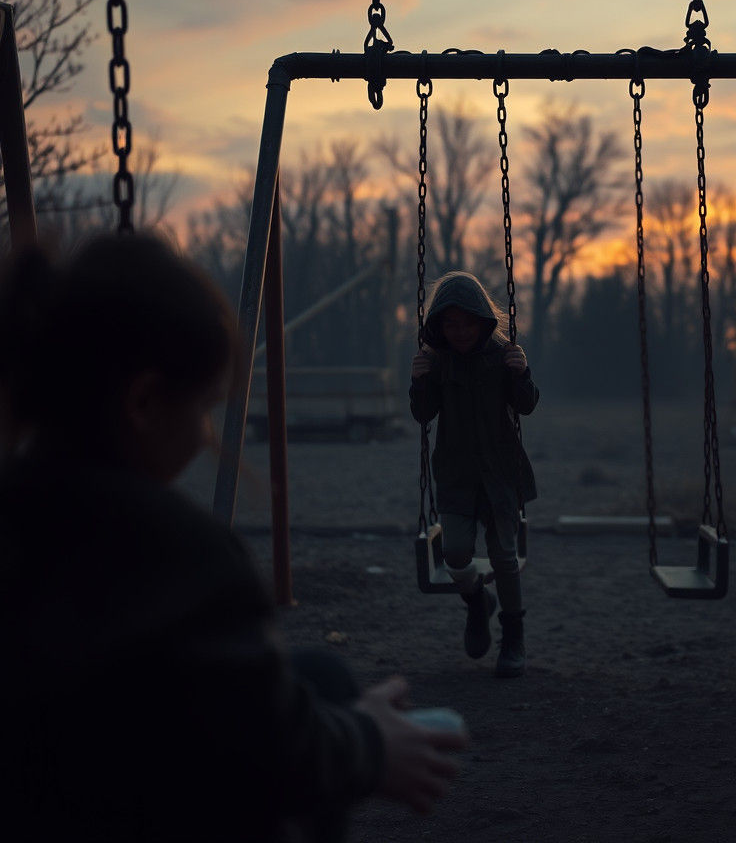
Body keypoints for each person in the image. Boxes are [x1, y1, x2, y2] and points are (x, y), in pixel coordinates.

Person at [0, 232, 468, 842]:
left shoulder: (19, 509)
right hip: (113, 806)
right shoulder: (180, 558)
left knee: (320, 677)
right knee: (317, 707)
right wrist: (372, 744)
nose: (203, 433)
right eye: (202, 407)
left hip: (55, 778)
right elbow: (272, 746)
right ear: (142, 402)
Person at [409, 271, 539, 678]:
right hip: (456, 473)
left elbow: (526, 405)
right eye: (450, 324)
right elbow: (423, 413)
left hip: (500, 471)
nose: (460, 331)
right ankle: (477, 604)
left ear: (483, 320)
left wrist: (521, 373)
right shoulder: (437, 361)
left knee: (503, 557)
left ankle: (513, 636)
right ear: (439, 327)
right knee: (456, 554)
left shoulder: (502, 356)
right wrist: (419, 381)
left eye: (466, 323)